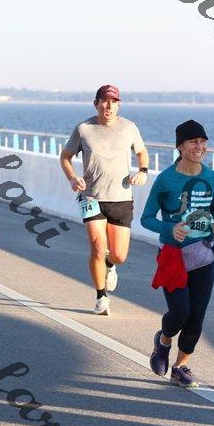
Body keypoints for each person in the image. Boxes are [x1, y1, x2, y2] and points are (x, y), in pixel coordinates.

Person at [141, 119, 214, 388]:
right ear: (180, 146)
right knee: (180, 313)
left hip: (203, 256)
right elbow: (146, 218)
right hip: (173, 256)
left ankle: (180, 366)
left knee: (196, 317)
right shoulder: (166, 180)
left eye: (203, 142)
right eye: (194, 141)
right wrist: (169, 228)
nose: (200, 147)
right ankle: (163, 342)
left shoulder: (212, 178)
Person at [60, 84, 149, 315]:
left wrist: (143, 171)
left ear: (118, 105)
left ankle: (110, 264)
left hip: (121, 197)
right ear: (96, 104)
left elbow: (141, 152)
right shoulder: (83, 129)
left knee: (119, 255)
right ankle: (101, 297)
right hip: (91, 197)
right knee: (98, 248)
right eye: (104, 101)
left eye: (113, 102)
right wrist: (72, 178)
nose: (108, 106)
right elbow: (66, 157)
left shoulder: (129, 127)